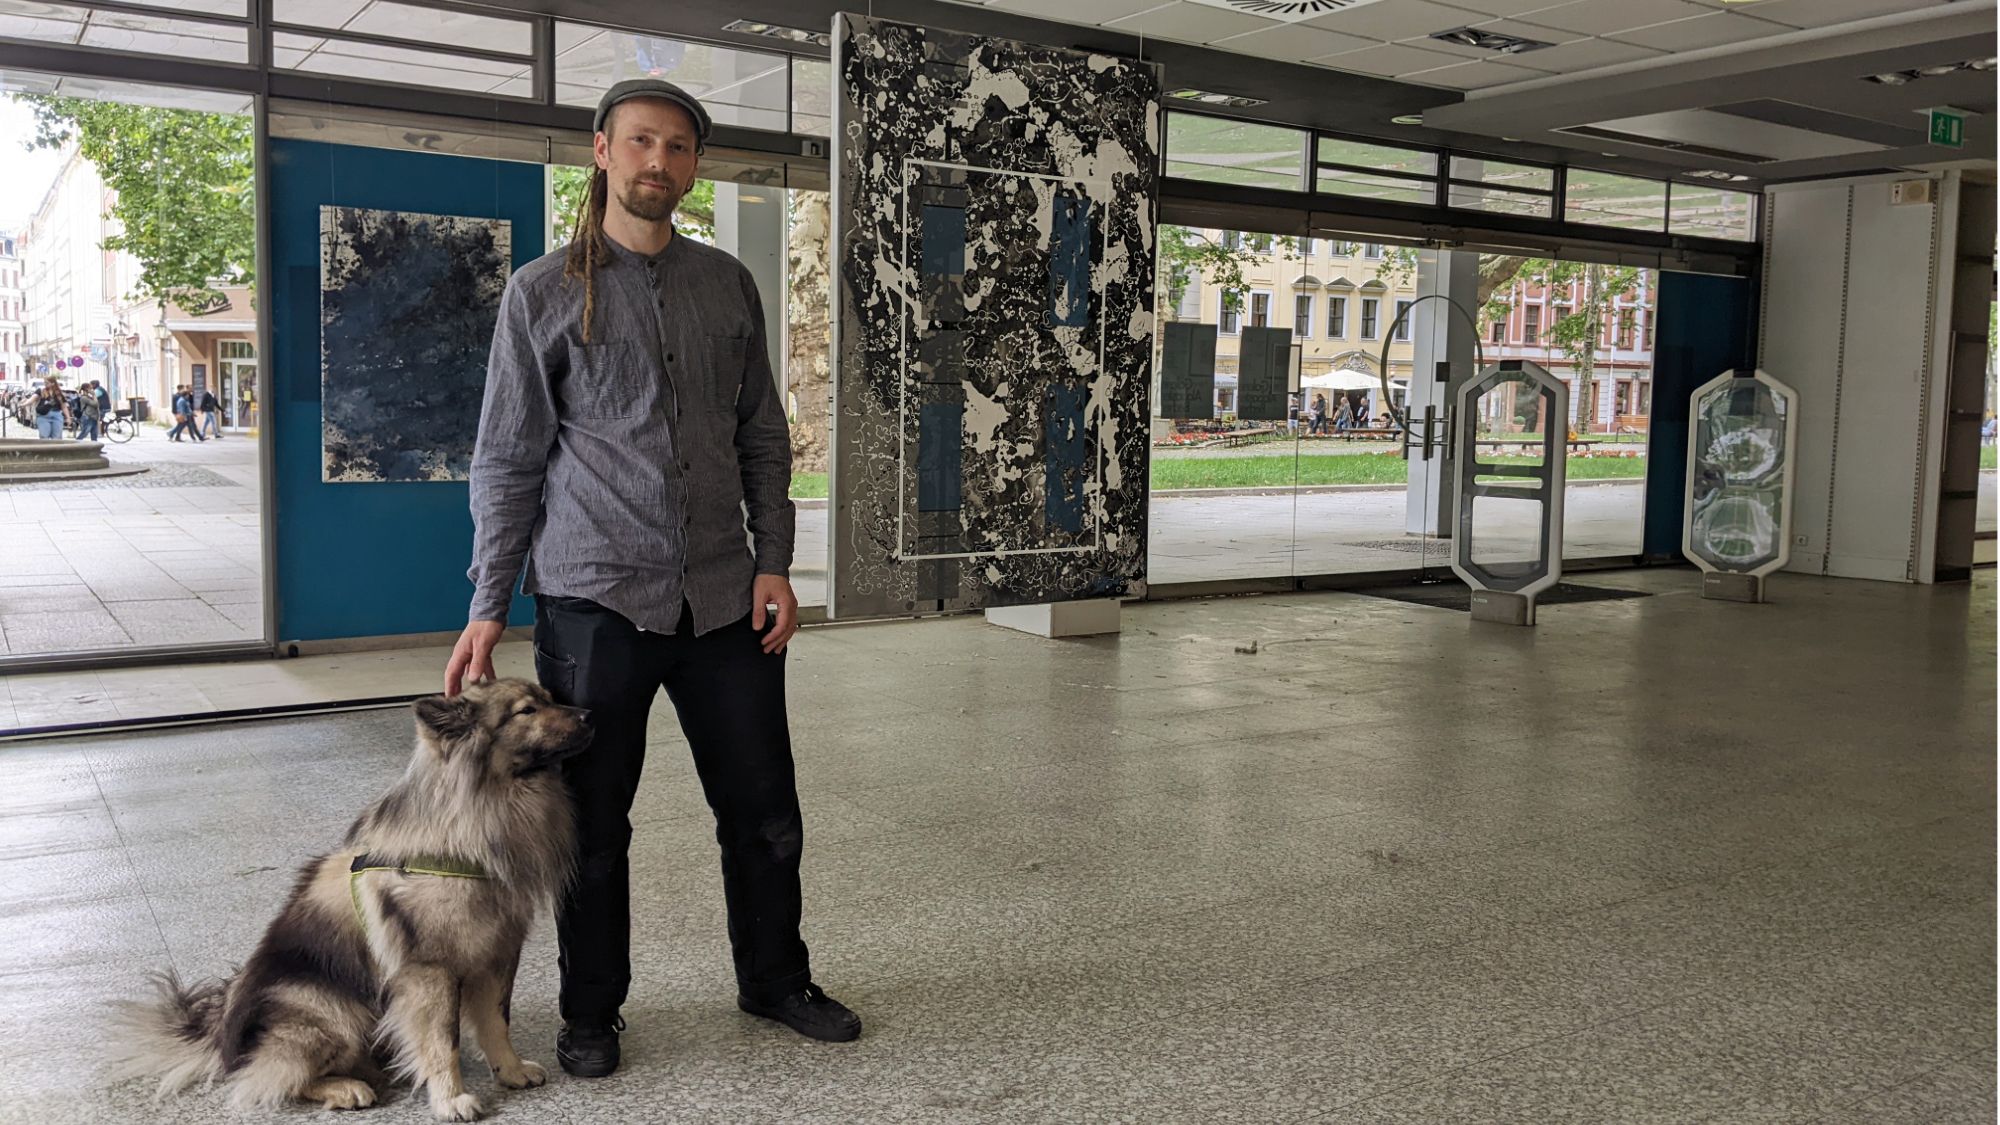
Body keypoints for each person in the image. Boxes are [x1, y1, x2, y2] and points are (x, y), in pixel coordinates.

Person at [448, 78, 859, 1081]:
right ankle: (591, 1011)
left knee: (763, 810)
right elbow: (507, 457)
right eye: (639, 142)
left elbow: (763, 433)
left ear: (693, 166)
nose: (657, 163)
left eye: (677, 147)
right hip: (595, 601)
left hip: (725, 598)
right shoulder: (542, 291)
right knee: (590, 824)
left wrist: (774, 563)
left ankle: (774, 980)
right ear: (600, 151)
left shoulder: (727, 285)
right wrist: (486, 604)